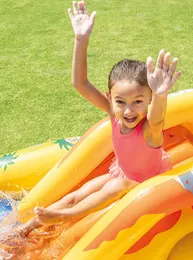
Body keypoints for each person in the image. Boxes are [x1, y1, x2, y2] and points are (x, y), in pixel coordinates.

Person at [0, 0, 181, 242]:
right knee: (75, 195)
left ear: (148, 100)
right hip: (122, 173)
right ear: (110, 98)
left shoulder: (149, 130)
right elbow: (80, 84)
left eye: (138, 101)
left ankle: (65, 216)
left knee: (113, 188)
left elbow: (158, 118)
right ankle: (25, 229)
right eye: (120, 102)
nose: (128, 110)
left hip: (144, 185)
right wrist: (80, 39)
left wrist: (161, 93)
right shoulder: (112, 112)